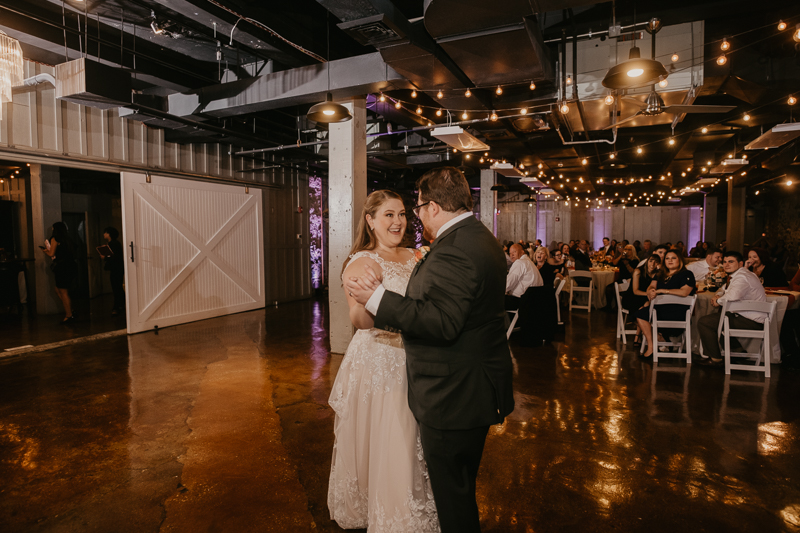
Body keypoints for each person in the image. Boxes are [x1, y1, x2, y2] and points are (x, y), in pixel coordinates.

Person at [346, 167, 514, 533]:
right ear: (370, 221)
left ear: (434, 207)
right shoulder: (481, 238)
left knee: (453, 494)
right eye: (390, 214)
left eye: (413, 209)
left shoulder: (450, 250)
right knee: (455, 486)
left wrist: (378, 297)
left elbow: (442, 321)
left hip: (453, 390)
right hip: (466, 381)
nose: (411, 217)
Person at [327, 190, 439, 532]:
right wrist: (376, 302)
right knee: (396, 434)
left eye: (402, 213)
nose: (398, 221)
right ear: (370, 220)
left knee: (418, 436)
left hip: (417, 355)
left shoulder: (415, 254)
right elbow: (358, 319)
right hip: (383, 358)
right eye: (388, 215)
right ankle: (393, 513)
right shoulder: (362, 262)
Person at [698, 251, 767, 367]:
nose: (726, 265)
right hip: (749, 317)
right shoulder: (742, 274)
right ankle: (737, 352)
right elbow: (724, 289)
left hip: (752, 320)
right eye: (724, 262)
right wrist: (719, 295)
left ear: (740, 264)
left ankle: (715, 359)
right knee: (721, 319)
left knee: (705, 322)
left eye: (731, 262)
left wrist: (717, 301)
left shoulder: (742, 277)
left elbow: (732, 296)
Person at [636, 250, 697, 358]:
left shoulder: (686, 274)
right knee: (641, 313)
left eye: (673, 258)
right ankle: (652, 345)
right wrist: (650, 291)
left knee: (643, 314)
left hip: (678, 312)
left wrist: (664, 291)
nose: (670, 261)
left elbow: (685, 292)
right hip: (660, 309)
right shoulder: (660, 274)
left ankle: (657, 341)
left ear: (680, 260)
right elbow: (652, 286)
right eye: (667, 258)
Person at [622, 254, 662, 345]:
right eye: (651, 261)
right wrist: (649, 294)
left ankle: (638, 334)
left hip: (645, 298)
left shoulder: (656, 274)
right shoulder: (638, 271)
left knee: (647, 305)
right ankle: (649, 335)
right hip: (632, 297)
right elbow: (635, 291)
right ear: (647, 261)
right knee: (645, 306)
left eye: (656, 262)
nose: (653, 264)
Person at [43, 222, 77, 323]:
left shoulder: (55, 239)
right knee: (58, 289)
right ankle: (70, 310)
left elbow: (51, 253)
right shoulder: (68, 239)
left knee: (63, 291)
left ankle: (69, 315)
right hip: (71, 266)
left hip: (62, 267)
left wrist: (45, 251)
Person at [505, 243, 542, 310]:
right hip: (534, 301)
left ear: (522, 252)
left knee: (491, 299)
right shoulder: (529, 262)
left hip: (520, 301)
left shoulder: (519, 262)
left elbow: (507, 284)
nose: (512, 255)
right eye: (510, 253)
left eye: (514, 252)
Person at [102, 227, 125, 315]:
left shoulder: (114, 244)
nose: (104, 234)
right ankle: (121, 305)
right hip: (117, 268)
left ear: (109, 234)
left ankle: (116, 307)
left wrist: (105, 257)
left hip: (116, 268)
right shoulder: (114, 243)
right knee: (118, 287)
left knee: (116, 287)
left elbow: (114, 257)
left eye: (105, 232)